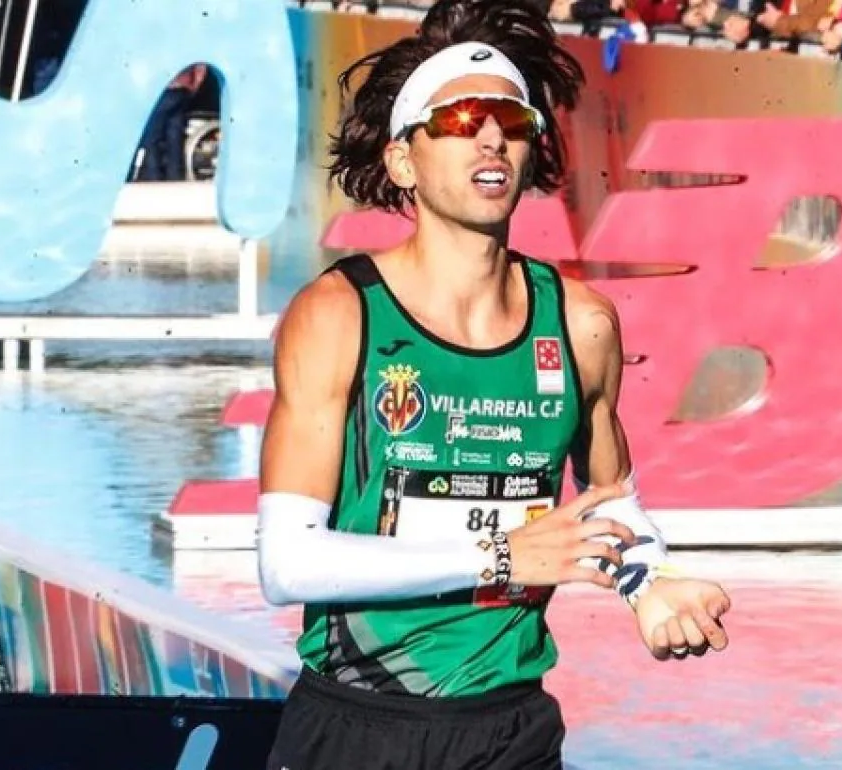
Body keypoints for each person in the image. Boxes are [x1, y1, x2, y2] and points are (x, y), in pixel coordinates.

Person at [256, 2, 732, 767]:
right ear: (403, 161)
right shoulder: (340, 314)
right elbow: (287, 564)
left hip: (511, 731)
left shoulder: (581, 322)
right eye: (462, 119)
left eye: (511, 121)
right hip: (355, 724)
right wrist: (502, 556)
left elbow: (611, 503)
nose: (490, 137)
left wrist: (652, 584)